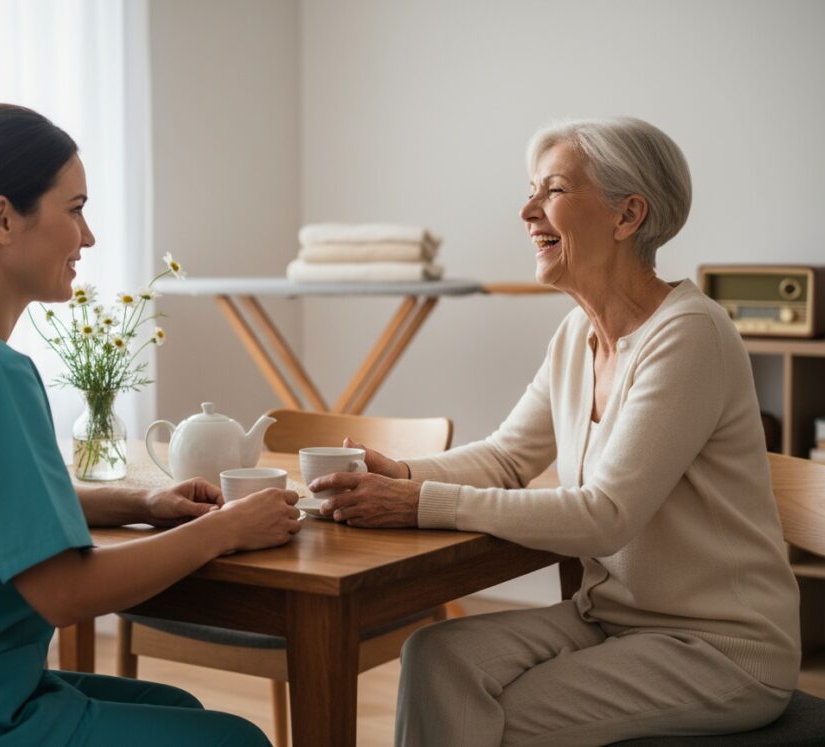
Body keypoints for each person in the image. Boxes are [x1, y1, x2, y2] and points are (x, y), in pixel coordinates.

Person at [0, 103, 301, 747]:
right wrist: (226, 529)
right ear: (2, 218)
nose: (89, 236)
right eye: (74, 209)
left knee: (182, 708)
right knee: (236, 740)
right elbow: (67, 593)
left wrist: (142, 502)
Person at [309, 117, 800, 745]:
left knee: (493, 718)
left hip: (719, 647)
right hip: (610, 618)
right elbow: (508, 456)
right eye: (531, 191)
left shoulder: (689, 335)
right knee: (436, 657)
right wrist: (402, 476)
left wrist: (421, 504)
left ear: (628, 216)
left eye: (553, 191)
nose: (526, 210)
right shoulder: (576, 336)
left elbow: (606, 516)